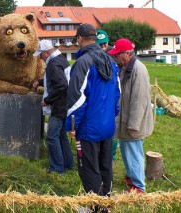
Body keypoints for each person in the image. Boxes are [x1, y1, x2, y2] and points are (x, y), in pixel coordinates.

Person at [66, 24, 120, 212]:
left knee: (89, 169)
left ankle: (97, 208)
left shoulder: (82, 63)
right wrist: (111, 116)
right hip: (107, 126)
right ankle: (106, 203)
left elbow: (77, 98)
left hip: (89, 129)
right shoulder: (110, 61)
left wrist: (72, 124)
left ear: (80, 39)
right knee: (105, 166)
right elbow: (117, 94)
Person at [108, 38, 153, 193]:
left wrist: (134, 125)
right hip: (126, 119)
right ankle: (132, 178)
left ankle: (138, 187)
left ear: (126, 53)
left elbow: (139, 100)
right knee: (127, 151)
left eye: (117, 54)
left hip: (133, 122)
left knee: (134, 152)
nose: (115, 57)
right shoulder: (126, 67)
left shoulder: (138, 70)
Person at [32, 40, 73, 174]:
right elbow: (58, 79)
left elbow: (62, 85)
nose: (40, 57)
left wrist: (48, 100)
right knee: (62, 135)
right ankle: (68, 164)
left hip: (58, 106)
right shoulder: (61, 59)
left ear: (47, 52)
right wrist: (41, 81)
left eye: (41, 54)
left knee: (52, 137)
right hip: (66, 104)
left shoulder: (53, 64)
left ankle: (57, 168)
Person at [96, 29, 119, 163]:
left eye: (105, 44)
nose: (103, 47)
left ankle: (112, 155)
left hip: (111, 96)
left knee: (111, 126)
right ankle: (101, 153)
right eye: (100, 44)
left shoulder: (112, 56)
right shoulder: (93, 56)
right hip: (99, 97)